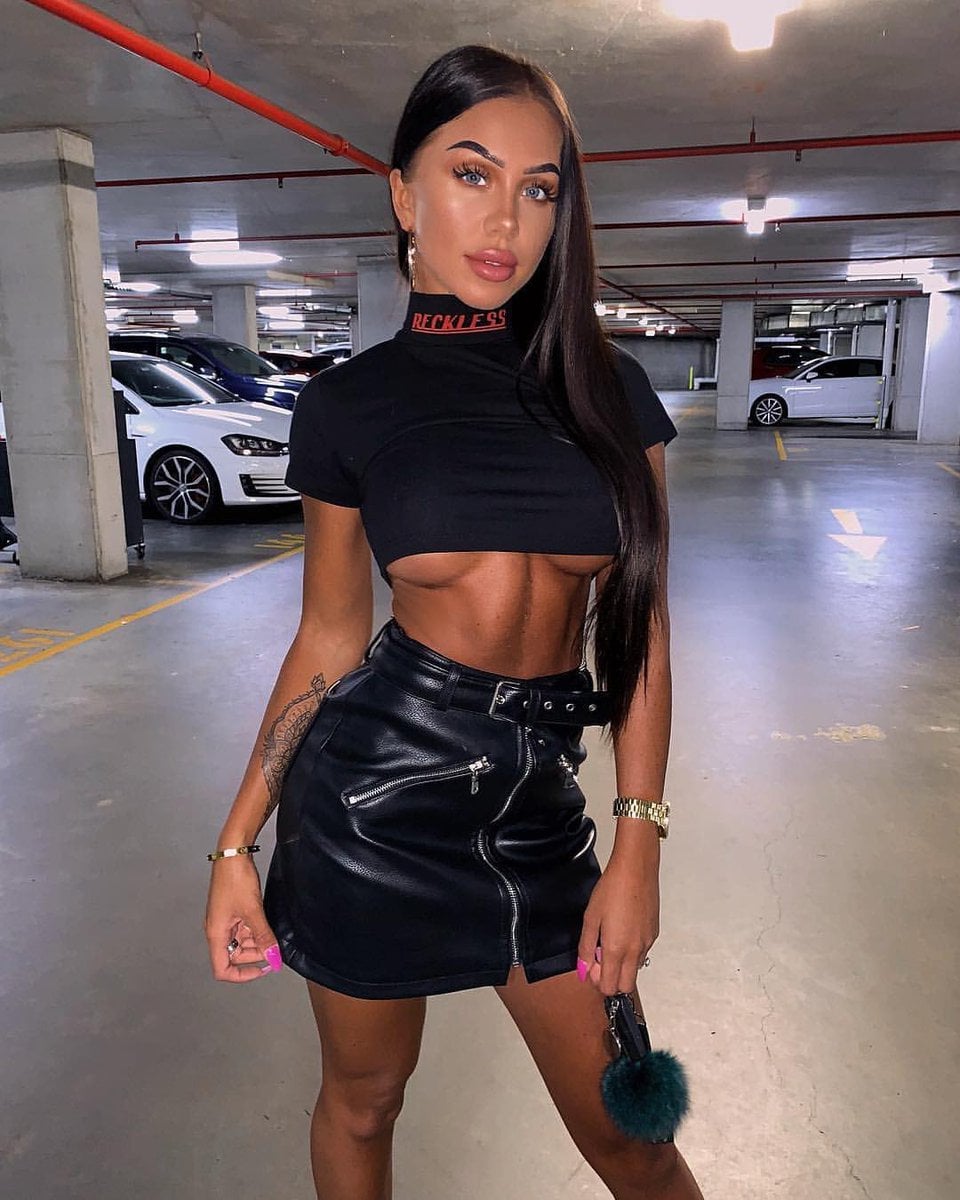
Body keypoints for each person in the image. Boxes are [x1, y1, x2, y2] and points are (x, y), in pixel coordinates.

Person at [204, 43, 704, 1200]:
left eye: (539, 188)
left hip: (539, 810)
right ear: (403, 193)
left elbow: (640, 631)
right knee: (365, 1102)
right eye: (472, 173)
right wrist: (235, 847)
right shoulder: (347, 405)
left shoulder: (611, 390)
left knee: (633, 1139)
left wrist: (637, 840)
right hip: (370, 808)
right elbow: (330, 636)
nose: (507, 219)